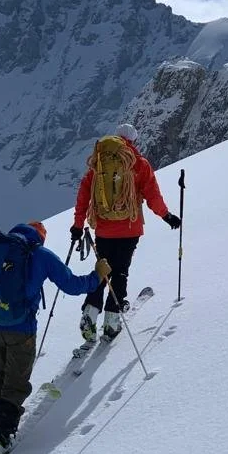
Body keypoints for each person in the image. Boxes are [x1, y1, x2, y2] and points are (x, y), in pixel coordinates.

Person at [0, 221, 111, 454]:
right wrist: (97, 277)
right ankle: (2, 437)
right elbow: (70, 285)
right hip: (21, 327)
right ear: (40, 238)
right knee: (15, 380)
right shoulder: (39, 254)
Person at [70, 123, 180, 343]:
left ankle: (90, 313)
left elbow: (84, 195)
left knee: (102, 271)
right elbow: (152, 196)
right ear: (133, 141)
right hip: (129, 229)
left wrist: (77, 225)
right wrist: (167, 216)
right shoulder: (138, 164)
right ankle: (112, 322)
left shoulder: (99, 162)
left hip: (103, 229)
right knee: (120, 273)